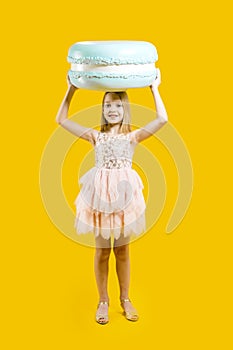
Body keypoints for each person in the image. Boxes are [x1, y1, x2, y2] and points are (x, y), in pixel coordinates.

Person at [55, 68, 168, 324]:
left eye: (117, 104)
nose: (112, 109)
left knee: (123, 250)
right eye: (107, 104)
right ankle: (103, 300)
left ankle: (125, 298)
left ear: (125, 109)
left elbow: (162, 119)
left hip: (125, 197)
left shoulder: (132, 137)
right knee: (102, 251)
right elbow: (61, 119)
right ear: (103, 109)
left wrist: (154, 88)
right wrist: (71, 88)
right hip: (99, 196)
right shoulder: (96, 137)